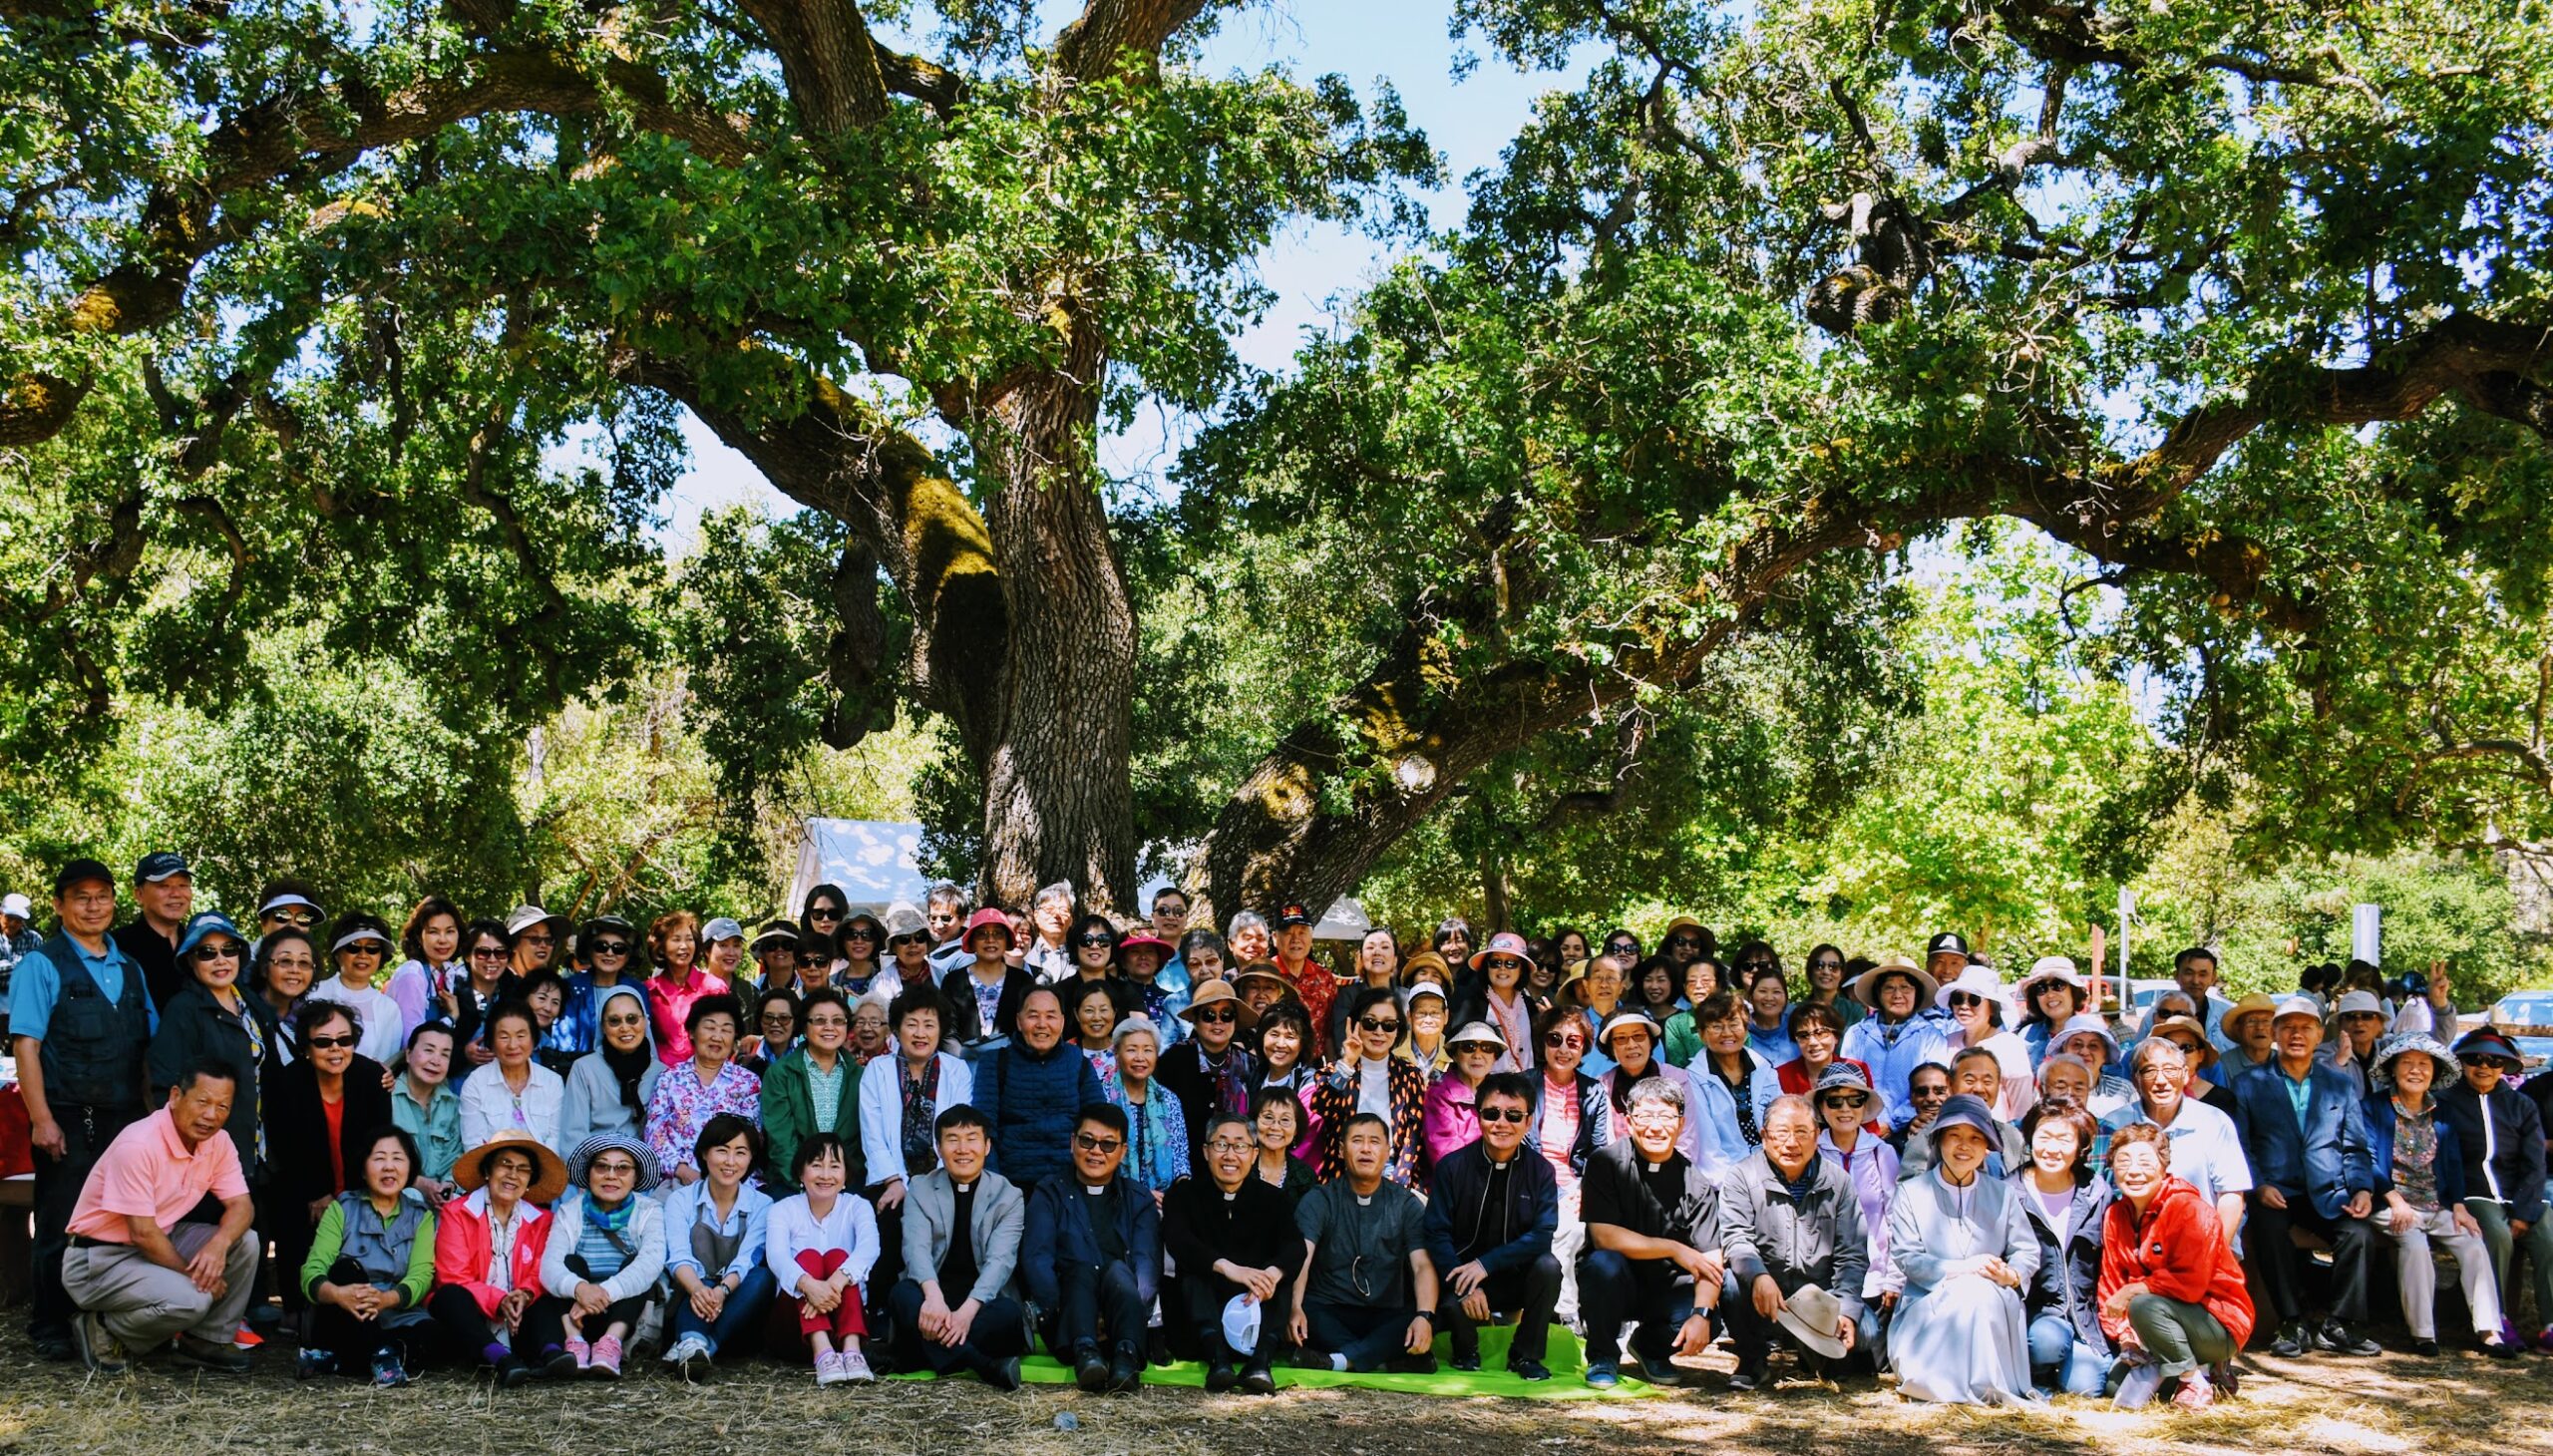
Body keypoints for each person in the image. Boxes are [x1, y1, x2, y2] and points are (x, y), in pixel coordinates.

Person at [14, 859, 157, 1360]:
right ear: (59, 905)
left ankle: (104, 1322)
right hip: (70, 1115)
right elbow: (26, 1046)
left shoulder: (131, 968)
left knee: (122, 1223)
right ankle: (49, 1323)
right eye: (80, 897)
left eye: (101, 896)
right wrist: (42, 1119)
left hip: (128, 1120)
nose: (93, 906)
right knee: (59, 1224)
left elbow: (149, 1048)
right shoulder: (43, 964)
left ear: (115, 901)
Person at [58, 1060, 258, 1375]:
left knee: (245, 1241)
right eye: (203, 1102)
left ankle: (205, 1341)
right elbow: (143, 1234)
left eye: (223, 1106)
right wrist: (198, 1277)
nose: (211, 1115)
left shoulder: (218, 1141)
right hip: (97, 1258)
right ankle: (102, 1328)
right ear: (176, 1096)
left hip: (156, 1242)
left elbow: (242, 1206)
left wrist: (219, 1244)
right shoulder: (139, 1143)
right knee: (193, 1299)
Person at [2233, 994, 2379, 1358]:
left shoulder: (2339, 1084)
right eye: (2288, 1027)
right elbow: (2240, 1143)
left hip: (2329, 1190)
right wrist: (2259, 1184)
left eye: (2306, 1028)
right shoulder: (2250, 1083)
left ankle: (2340, 1322)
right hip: (2275, 1190)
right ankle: (2292, 1320)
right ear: (2275, 1033)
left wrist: (2362, 1188)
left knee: (2358, 1234)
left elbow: (2355, 1147)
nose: (2297, 1035)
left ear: (2319, 1035)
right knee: (2268, 1229)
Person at [2361, 1032, 2516, 1356]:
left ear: (2434, 1072)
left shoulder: (2441, 1110)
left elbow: (2454, 1162)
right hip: (2393, 1201)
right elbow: (2367, 1158)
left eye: (2424, 1064)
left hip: (2435, 1201)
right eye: (2408, 1063)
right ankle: (2424, 1335)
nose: (2416, 1070)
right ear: (2393, 1069)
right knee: (2415, 1245)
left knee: (2473, 1242)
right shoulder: (2373, 1107)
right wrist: (2394, 1198)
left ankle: (2489, 1332)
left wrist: (2459, 1205)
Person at [1886, 1093, 2039, 1405]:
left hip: (1991, 1298)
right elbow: (1908, 1257)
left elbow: (2027, 1251)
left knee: (1980, 1293)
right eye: (1954, 1136)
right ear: (1939, 1141)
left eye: (1974, 1138)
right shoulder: (1910, 1192)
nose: (1963, 1146)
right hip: (1928, 1302)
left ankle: (1986, 1386)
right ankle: (1944, 1384)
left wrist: (2010, 1274)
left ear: (1987, 1147)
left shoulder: (2004, 1194)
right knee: (1970, 1290)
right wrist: (1964, 1269)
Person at [1577, 1076, 1722, 1388]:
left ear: (1681, 1123)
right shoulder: (1605, 1163)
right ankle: (1602, 1356)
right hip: (1616, 1283)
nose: (1655, 1127)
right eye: (1645, 1116)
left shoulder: (1696, 1181)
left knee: (1710, 1312)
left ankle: (1649, 1348)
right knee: (1602, 1263)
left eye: (1666, 1116)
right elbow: (1604, 1236)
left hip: (1666, 1287)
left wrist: (1702, 1314)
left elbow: (1711, 1259)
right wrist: (1674, 1248)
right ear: (1629, 1122)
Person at [2097, 1122, 2254, 1411]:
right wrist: (2125, 1336)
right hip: (2152, 1327)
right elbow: (2110, 1285)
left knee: (2143, 1304)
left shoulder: (2189, 1208)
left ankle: (2192, 1377)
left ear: (2163, 1166)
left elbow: (2190, 1282)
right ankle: (2208, 1375)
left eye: (2145, 1162)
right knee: (2113, 1386)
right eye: (2123, 1162)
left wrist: (2135, 1290)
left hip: (2215, 1317)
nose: (2133, 1171)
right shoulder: (2115, 1215)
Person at [1719, 1095, 1867, 1389]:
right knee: (1730, 1282)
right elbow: (1737, 1238)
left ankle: (1810, 1350)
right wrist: (1758, 1275)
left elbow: (1852, 1254)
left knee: (1869, 1338)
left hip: (1818, 1297)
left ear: (1817, 1135)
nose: (1791, 1143)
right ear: (1764, 1137)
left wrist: (1847, 1309)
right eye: (1781, 1132)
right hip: (1764, 1297)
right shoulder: (1742, 1176)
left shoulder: (1838, 1182)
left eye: (1802, 1132)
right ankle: (1752, 1357)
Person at [1421, 1073, 1561, 1379]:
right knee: (1452, 1301)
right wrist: (1467, 1282)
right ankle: (1464, 1350)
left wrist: (1485, 1266)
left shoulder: (1541, 1171)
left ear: (1528, 1121)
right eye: (1491, 1113)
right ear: (1478, 1115)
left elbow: (1542, 1236)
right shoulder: (1451, 1167)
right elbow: (1436, 1232)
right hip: (1459, 1278)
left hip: (1513, 1278)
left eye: (1513, 1115)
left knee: (1549, 1268)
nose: (1502, 1123)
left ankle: (1525, 1355)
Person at [266, 999, 393, 1321]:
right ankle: (295, 1307)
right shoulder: (286, 1083)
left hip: (358, 1182)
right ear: (306, 1047)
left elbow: (379, 1145)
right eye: (323, 1041)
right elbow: (286, 1148)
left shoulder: (372, 1078)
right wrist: (316, 1194)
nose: (335, 1049)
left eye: (345, 1039)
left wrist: (349, 1198)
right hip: (303, 1185)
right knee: (289, 1208)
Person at [891, 1105, 1032, 1388]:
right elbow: (915, 1248)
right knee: (903, 1295)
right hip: (933, 1297)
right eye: (952, 1139)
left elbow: (1000, 1262)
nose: (963, 1148)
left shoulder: (1009, 1195)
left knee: (1008, 1314)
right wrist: (933, 1298)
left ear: (987, 1146)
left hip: (981, 1302)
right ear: (939, 1148)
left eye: (972, 1138)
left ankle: (916, 1354)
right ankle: (983, 1365)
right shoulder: (920, 1188)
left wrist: (966, 1313)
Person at [1023, 1104, 1162, 1391]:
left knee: (1118, 1271)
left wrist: (1117, 1316)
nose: (1096, 1151)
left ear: (1123, 1151)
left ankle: (1126, 1358)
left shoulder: (1139, 1199)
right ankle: (1086, 1354)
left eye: (1108, 1144)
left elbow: (1147, 1266)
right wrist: (1069, 1314)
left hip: (1124, 1320)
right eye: (1087, 1141)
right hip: (1067, 1323)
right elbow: (1037, 1261)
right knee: (1082, 1268)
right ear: (1072, 1142)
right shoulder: (1049, 1192)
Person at [1164, 1113, 1304, 1391]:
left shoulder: (1273, 1199)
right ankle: (1218, 1361)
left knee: (1280, 1276)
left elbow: (1295, 1246)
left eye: (1240, 1146)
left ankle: (1261, 1363)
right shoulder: (1183, 1196)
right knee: (1194, 1271)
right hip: (1201, 1321)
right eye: (1221, 1145)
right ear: (1206, 1151)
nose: (1230, 1155)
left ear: (1253, 1154)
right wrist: (1227, 1267)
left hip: (1253, 1313)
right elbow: (1178, 1240)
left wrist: (1271, 1275)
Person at [1289, 1112, 1438, 1374]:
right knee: (1306, 1311)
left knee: (1422, 1314)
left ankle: (1340, 1361)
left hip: (1384, 1312)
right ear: (1341, 1148)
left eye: (1374, 1141)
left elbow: (1422, 1266)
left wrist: (1424, 1316)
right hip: (1330, 1309)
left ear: (1387, 1150)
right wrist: (1294, 1308)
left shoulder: (1405, 1203)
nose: (1366, 1149)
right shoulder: (1320, 1199)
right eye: (1357, 1141)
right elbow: (1302, 1256)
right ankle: (1382, 1360)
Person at [2435, 1027, 2553, 1353]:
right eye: (2475, 1059)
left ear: (2505, 1067)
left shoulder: (2521, 1104)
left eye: (2495, 1061)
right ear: (2462, 1063)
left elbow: (2535, 1163)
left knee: (2548, 1235)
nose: (2484, 1066)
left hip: (2520, 1193)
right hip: (2473, 1192)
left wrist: (2525, 1212)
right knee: (2497, 1236)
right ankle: (2495, 1318)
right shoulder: (2445, 1102)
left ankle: (2550, 1325)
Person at [295, 1124, 437, 1384]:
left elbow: (421, 1275)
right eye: (379, 1158)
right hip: (343, 1313)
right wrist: (339, 1294)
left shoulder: (421, 1216)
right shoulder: (342, 1209)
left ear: (410, 1168)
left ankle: (336, 1360)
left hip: (394, 1312)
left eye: (397, 1159)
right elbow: (312, 1271)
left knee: (433, 1334)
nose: (389, 1167)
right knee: (345, 1270)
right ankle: (383, 1354)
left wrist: (387, 1299)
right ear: (363, 1168)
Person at [146, 913, 276, 1191]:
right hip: (205, 1159)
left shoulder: (252, 1003)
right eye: (207, 953)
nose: (220, 960)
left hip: (258, 1152)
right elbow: (165, 1086)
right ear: (190, 961)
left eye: (229, 950)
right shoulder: (182, 1009)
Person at [427, 1131, 561, 1387]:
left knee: (546, 1292)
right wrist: (499, 1300)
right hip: (473, 1318)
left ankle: (552, 1355)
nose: (513, 1174)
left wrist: (524, 1294)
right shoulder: (457, 1213)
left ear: (530, 1180)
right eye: (505, 1165)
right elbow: (453, 1275)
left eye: (523, 1169)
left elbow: (540, 1271)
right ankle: (501, 1360)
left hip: (519, 1316)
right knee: (449, 1296)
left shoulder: (542, 1220)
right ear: (488, 1171)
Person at [530, 1132, 666, 1378]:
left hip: (624, 1315)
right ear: (589, 1174)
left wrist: (603, 1293)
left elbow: (651, 1263)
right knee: (570, 1263)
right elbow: (549, 1267)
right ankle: (575, 1344)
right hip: (576, 1315)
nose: (611, 1175)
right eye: (602, 1166)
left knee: (636, 1264)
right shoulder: (569, 1211)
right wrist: (581, 1289)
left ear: (635, 1177)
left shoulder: (649, 1210)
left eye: (622, 1168)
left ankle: (610, 1345)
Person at [2098, 1038, 2251, 1247]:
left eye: (2170, 1070)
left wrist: (2216, 1252)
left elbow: (2231, 1194)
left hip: (2204, 1243)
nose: (2161, 1080)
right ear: (2135, 1079)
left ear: (2186, 1075)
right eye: (2149, 1071)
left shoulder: (2214, 1121)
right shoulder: (2115, 1123)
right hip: (2132, 1247)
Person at [659, 1114, 778, 1375]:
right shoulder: (680, 1200)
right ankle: (692, 1342)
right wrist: (701, 1289)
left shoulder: (762, 1205)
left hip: (736, 1302)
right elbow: (678, 1256)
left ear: (751, 1158)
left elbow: (747, 1258)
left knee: (763, 1277)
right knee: (701, 1285)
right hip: (689, 1292)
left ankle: (701, 1346)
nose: (730, 1162)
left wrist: (721, 1291)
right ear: (704, 1153)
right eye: (722, 1151)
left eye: (740, 1152)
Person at [761, 1131, 880, 1383]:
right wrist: (809, 1286)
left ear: (845, 1175)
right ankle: (823, 1352)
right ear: (801, 1174)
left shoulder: (858, 1206)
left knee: (838, 1257)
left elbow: (870, 1247)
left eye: (834, 1166)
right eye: (816, 1166)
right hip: (792, 1331)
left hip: (846, 1321)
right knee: (809, 1258)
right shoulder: (782, 1210)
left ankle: (852, 1352)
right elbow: (777, 1257)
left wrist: (834, 1282)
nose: (826, 1175)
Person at [2012, 1099, 2112, 1397]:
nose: (2052, 1149)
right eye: (2044, 1137)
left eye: (2064, 1139)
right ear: (2030, 1138)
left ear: (2081, 1146)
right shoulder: (2009, 1191)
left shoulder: (2096, 1192)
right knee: (2046, 1342)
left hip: (2084, 1314)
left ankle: (2064, 1365)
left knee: (2087, 1388)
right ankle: (2037, 1374)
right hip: (2036, 1312)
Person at [973, 984, 1105, 1192]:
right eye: (1033, 1016)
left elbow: (1099, 1124)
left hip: (1071, 1184)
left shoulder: (1078, 1062)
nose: (1042, 1024)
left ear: (1062, 1022)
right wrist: (996, 1188)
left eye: (1051, 1016)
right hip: (1011, 1185)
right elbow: (983, 1130)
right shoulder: (995, 1062)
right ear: (1019, 1020)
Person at [1812, 1063, 1897, 1361]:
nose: (1845, 1108)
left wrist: (1893, 1277)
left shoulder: (1881, 1153)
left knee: (1866, 1340)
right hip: (1818, 1274)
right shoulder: (1810, 1151)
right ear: (1821, 1107)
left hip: (1871, 1275)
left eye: (1854, 1099)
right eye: (1834, 1101)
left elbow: (1895, 1217)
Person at [1307, 985, 1428, 1189]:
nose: (1379, 1032)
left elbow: (1412, 1139)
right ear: (1354, 1024)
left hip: (1392, 1172)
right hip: (1342, 1173)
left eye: (1388, 1025)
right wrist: (1347, 1064)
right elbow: (1321, 1107)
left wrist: (1398, 1185)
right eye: (1370, 1023)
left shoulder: (1411, 1076)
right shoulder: (1333, 1072)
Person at [644, 993, 763, 1187]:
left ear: (735, 1038)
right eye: (709, 1027)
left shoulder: (748, 1083)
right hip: (678, 1182)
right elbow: (655, 1137)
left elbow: (752, 1139)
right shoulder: (670, 1078)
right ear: (692, 1032)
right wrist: (682, 1171)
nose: (717, 1037)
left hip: (735, 1181)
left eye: (726, 1030)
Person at [761, 986, 862, 1194]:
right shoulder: (780, 1074)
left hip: (847, 1184)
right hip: (792, 1183)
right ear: (805, 1028)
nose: (829, 1027)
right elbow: (781, 1142)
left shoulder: (860, 1076)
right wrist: (802, 1184)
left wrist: (841, 1181)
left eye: (838, 1021)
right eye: (819, 1020)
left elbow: (859, 1141)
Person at [1840, 955, 1952, 1129]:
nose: (1897, 995)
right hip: (1860, 1127)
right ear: (1878, 993)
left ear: (1917, 993)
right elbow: (1847, 1083)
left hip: (1912, 1127)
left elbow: (1933, 1088)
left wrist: (1892, 1124)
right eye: (1889, 988)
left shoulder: (1930, 1037)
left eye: (1905, 988)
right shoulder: (1857, 1034)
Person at [1158, 978, 1257, 1166]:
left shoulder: (1249, 1064)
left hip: (1235, 1166)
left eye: (1226, 1014)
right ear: (1195, 1020)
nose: (1218, 1021)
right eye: (1209, 1015)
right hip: (1183, 1166)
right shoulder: (1173, 1060)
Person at [558, 983, 659, 1150]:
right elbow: (573, 1136)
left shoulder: (661, 1073)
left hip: (645, 1168)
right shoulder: (584, 1069)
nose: (625, 1027)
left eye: (632, 1018)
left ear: (645, 1022)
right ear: (603, 1027)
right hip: (595, 1166)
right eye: (614, 1021)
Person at [459, 999, 568, 1150]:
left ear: (534, 1039)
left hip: (543, 1167)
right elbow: (473, 1146)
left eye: (521, 1036)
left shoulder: (552, 1083)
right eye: (504, 1037)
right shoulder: (476, 1083)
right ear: (491, 1042)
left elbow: (556, 1140)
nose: (513, 1045)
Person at [1687, 989, 1776, 1176]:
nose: (1727, 1033)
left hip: (1773, 1166)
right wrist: (1734, 1187)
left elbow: (1781, 1120)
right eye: (1716, 1026)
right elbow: (1708, 1148)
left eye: (1734, 1024)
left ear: (1745, 1028)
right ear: (1702, 1034)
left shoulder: (1764, 1068)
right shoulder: (1695, 1078)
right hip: (1726, 1177)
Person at [1101, 1014, 1190, 1198]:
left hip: (1163, 1201)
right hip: (1114, 1198)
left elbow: (1181, 1161)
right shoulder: (1103, 1097)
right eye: (1132, 1050)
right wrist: (1142, 1195)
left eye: (1148, 1050)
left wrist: (1178, 1197)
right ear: (1116, 1052)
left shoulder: (1169, 1100)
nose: (1140, 1058)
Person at [303, 912, 405, 1066]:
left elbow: (386, 1065)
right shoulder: (314, 994)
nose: (363, 955)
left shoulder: (389, 1009)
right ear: (338, 954)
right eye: (353, 947)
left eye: (372, 948)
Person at [1937, 964, 2035, 1122]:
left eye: (1974, 1000)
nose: (1964, 1006)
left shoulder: (2010, 1045)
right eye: (1958, 998)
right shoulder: (1947, 1042)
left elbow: (2022, 1111)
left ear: (1992, 1006)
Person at [1600, 1009, 1699, 1164]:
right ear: (1611, 1048)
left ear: (1650, 1041)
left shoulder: (1679, 1080)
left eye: (1638, 1036)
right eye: (1621, 1039)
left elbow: (1687, 1142)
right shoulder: (1602, 1086)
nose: (1631, 1045)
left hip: (1672, 1172)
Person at [939, 907, 1034, 1047]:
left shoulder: (1023, 981)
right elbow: (948, 1031)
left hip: (1012, 1063)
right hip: (963, 1064)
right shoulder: (953, 981)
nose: (990, 940)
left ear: (1007, 941)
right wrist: (962, 1062)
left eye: (998, 934)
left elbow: (1028, 1026)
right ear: (972, 941)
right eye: (982, 934)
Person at [390, 1022, 465, 1201]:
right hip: (395, 1194)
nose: (436, 1061)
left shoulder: (452, 1104)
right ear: (408, 1054)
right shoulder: (386, 1097)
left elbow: (456, 1156)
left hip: (438, 1199)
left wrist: (449, 1185)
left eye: (444, 1054)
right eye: (429, 1050)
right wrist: (417, 1183)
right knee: (412, 1195)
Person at [111, 852, 191, 1014]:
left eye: (183, 885)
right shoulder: (116, 947)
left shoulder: (200, 946)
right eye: (164, 886)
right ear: (139, 894)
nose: (176, 893)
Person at [643, 911, 728, 1066]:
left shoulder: (715, 988)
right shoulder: (648, 991)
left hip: (707, 1077)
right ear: (661, 948)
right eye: (676, 939)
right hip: (662, 1079)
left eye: (689, 939)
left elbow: (726, 1038)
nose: (684, 946)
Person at [1421, 1021, 1507, 1172]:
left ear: (1495, 1056)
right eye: (1469, 1047)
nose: (1478, 1055)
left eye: (1487, 1048)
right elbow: (1444, 1155)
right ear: (1454, 1054)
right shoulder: (1439, 1093)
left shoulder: (1502, 1094)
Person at [549, 913, 634, 1058]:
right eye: (601, 947)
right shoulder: (570, 988)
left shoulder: (638, 990)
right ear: (589, 950)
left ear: (627, 955)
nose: (609, 953)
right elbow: (564, 1044)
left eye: (618, 948)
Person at [1452, 931, 1538, 1075]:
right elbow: (1458, 1051)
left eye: (1511, 963)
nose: (1502, 968)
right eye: (1495, 962)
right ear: (1487, 967)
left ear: (1521, 969)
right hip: (1484, 1091)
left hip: (1527, 1088)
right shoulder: (1472, 1004)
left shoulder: (1529, 1006)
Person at [1250, 1084, 1322, 1207]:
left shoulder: (1306, 1177)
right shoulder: (1241, 1167)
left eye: (1285, 1120)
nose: (1275, 1127)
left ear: (1296, 1130)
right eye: (1268, 1117)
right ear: (1254, 1122)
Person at [2013, 957, 2090, 1067]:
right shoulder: (2026, 1036)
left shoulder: (2093, 1034)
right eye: (2041, 988)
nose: (2050, 995)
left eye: (2058, 985)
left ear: (2073, 991)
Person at [252, 927, 316, 1058]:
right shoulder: (244, 1014)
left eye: (304, 963)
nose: (295, 970)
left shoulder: (311, 1021)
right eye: (285, 961)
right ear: (264, 968)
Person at [1020, 881, 1077, 983]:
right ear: (1036, 916)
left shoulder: (1081, 958)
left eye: (1063, 910)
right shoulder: (1020, 955)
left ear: (1071, 920)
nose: (1056, 915)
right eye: (1049, 910)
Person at [743, 984, 802, 1076]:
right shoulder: (746, 1055)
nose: (775, 1024)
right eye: (768, 1017)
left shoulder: (807, 1054)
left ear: (795, 1022)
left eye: (783, 1018)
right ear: (760, 1020)